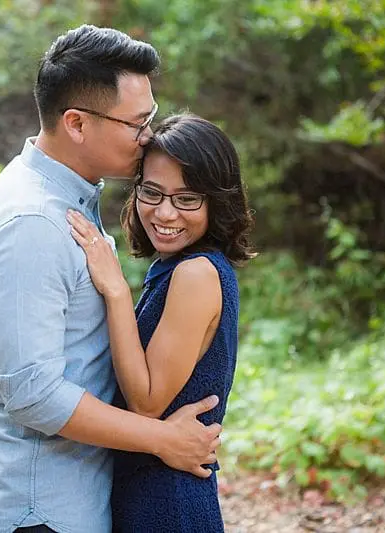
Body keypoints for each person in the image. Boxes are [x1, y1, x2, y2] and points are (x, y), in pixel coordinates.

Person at [0, 26, 222, 533]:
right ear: (76, 123)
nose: (149, 139)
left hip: (72, 499)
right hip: (38, 511)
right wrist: (160, 438)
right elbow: (31, 391)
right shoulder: (30, 224)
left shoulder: (69, 199)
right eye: (137, 124)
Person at [67, 113, 256, 532]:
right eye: (152, 192)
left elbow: (148, 402)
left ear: (216, 201)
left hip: (167, 500)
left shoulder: (197, 273)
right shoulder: (178, 268)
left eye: (187, 198)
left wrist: (116, 290)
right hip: (150, 487)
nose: (165, 213)